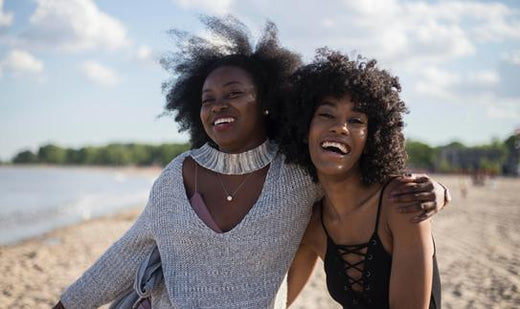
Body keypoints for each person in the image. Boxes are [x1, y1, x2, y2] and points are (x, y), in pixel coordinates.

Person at [54, 17, 448, 309]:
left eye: (234, 92)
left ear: (267, 102)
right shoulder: (176, 177)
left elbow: (361, 178)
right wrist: (66, 305)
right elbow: (127, 255)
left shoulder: (298, 173)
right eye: (208, 99)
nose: (219, 105)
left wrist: (439, 191)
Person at [283, 49, 442, 308]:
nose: (340, 127)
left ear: (372, 137)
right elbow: (278, 301)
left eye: (356, 120)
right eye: (326, 114)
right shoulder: (313, 224)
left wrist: (444, 192)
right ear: (304, 129)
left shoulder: (400, 202)